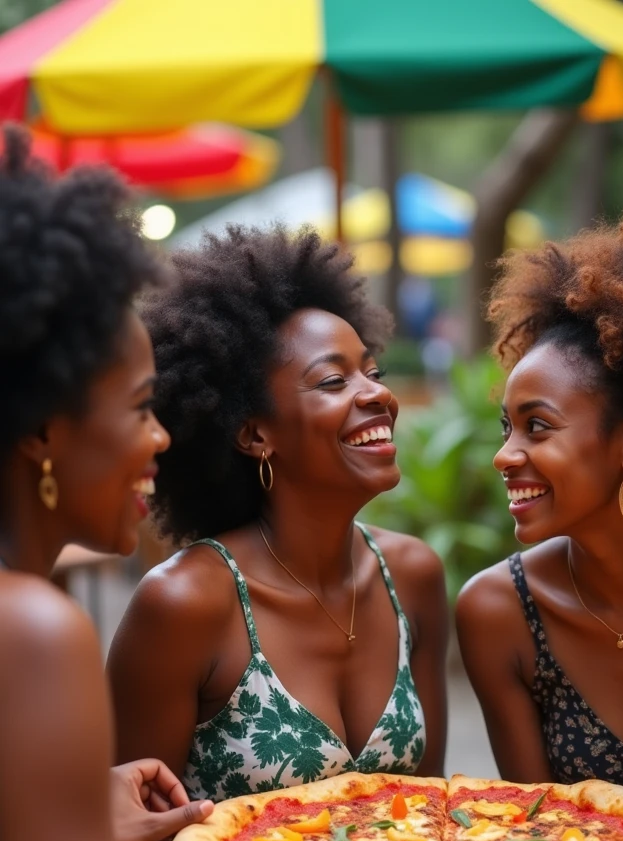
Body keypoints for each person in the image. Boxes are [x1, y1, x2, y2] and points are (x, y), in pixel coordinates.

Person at [0, 125, 331, 841]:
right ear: (41, 430)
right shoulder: (32, 629)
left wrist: (69, 816)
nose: (163, 438)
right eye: (141, 408)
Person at [108, 226, 448, 801]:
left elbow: (433, 810)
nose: (376, 395)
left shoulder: (412, 577)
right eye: (334, 380)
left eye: (373, 372)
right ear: (253, 433)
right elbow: (131, 835)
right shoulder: (184, 605)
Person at [456, 211, 623, 802]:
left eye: (538, 427)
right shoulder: (500, 612)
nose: (505, 457)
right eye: (506, 428)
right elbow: (540, 834)